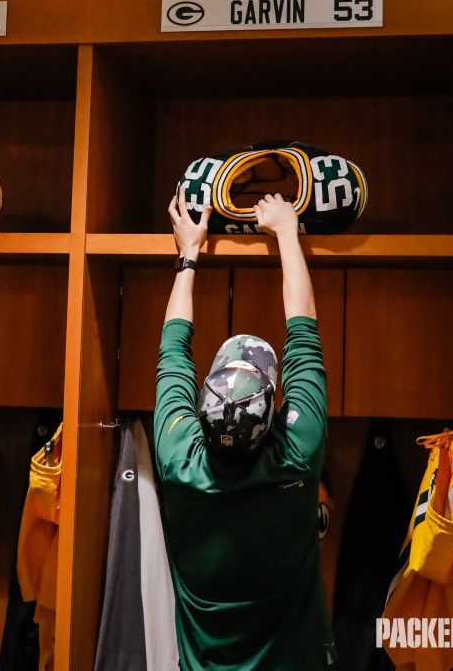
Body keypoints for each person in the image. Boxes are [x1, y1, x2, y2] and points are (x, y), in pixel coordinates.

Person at [154, 193, 334, 670]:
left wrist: (189, 252)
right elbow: (304, 334)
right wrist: (288, 233)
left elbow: (173, 348)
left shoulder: (178, 458)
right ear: (274, 412)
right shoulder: (296, 454)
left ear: (200, 411)